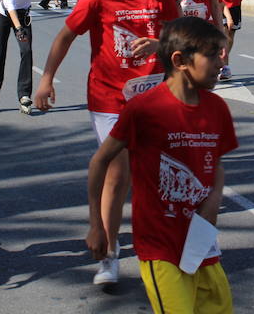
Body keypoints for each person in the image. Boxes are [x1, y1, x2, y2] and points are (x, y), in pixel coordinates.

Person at [34, 0, 179, 286]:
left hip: (153, 95)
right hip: (108, 97)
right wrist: (46, 79)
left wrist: (160, 44)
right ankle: (109, 252)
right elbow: (65, 36)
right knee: (118, 172)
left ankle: (164, 247)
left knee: (156, 175)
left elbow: (179, 36)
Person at [87, 16, 237, 314]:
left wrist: (212, 202)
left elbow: (216, 164)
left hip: (202, 242)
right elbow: (100, 161)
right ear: (180, 60)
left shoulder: (217, 107)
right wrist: (97, 226)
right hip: (160, 246)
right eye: (211, 54)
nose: (221, 62)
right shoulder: (144, 109)